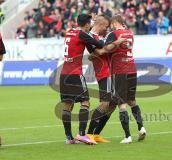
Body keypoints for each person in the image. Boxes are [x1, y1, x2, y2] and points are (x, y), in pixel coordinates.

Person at [92, 15, 147, 144]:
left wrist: (94, 54)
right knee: (132, 101)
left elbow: (104, 49)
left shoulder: (113, 34)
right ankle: (141, 128)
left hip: (120, 71)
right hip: (132, 69)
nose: (110, 26)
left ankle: (127, 136)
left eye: (111, 24)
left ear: (115, 23)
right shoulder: (130, 33)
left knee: (121, 104)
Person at [60, 14, 104, 145]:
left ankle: (69, 138)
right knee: (85, 102)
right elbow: (98, 44)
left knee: (68, 105)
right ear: (86, 24)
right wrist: (101, 40)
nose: (90, 25)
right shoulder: (82, 34)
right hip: (75, 73)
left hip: (63, 74)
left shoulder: (69, 32)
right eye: (89, 23)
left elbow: (88, 47)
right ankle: (82, 134)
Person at [86, 15, 116, 143]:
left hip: (111, 71)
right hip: (104, 72)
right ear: (101, 25)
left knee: (113, 104)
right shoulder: (90, 37)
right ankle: (89, 133)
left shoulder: (99, 38)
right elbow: (98, 52)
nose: (106, 29)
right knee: (105, 103)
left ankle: (97, 134)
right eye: (106, 26)